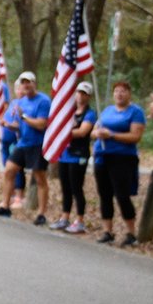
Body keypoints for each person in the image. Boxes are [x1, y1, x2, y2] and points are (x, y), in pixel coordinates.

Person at [89, 79, 146, 244]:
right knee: (104, 194)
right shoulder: (107, 110)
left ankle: (131, 233)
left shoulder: (135, 112)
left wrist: (112, 135)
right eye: (117, 91)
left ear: (129, 93)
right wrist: (97, 134)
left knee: (122, 195)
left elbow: (136, 136)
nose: (119, 94)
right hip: (102, 156)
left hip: (122, 158)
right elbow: (94, 131)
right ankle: (108, 231)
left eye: (123, 91)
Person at [0, 72, 51, 221]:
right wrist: (9, 125)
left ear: (34, 83)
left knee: (40, 178)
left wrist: (24, 116)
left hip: (38, 144)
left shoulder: (43, 101)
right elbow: (20, 124)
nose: (26, 85)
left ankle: (41, 213)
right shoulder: (21, 101)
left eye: (29, 82)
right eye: (23, 83)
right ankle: (5, 206)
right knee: (9, 171)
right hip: (23, 143)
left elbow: (41, 124)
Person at [54, 80, 94, 232]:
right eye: (79, 92)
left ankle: (80, 220)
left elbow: (83, 131)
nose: (80, 96)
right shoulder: (69, 112)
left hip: (79, 155)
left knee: (76, 186)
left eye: (84, 93)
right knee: (65, 187)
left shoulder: (89, 114)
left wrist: (64, 132)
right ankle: (65, 217)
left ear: (88, 96)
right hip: (65, 154)